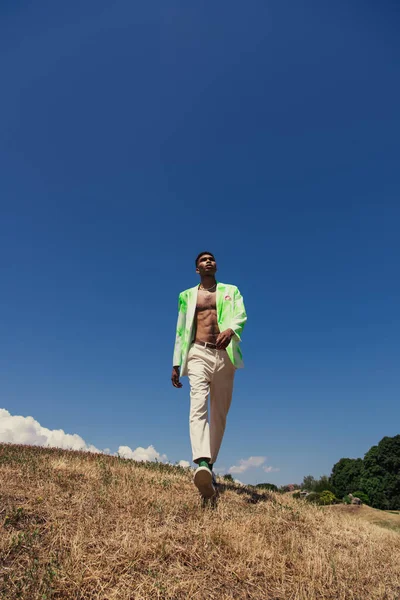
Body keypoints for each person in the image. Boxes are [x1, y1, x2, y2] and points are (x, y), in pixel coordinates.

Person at [171, 251, 247, 499]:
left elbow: (240, 316)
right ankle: (202, 462)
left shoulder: (231, 290)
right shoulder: (186, 296)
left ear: (216, 266)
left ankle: (210, 467)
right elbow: (181, 330)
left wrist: (230, 330)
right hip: (198, 353)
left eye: (211, 259)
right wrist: (175, 363)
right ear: (197, 269)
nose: (208, 262)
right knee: (197, 405)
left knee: (219, 414)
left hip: (225, 356)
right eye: (203, 260)